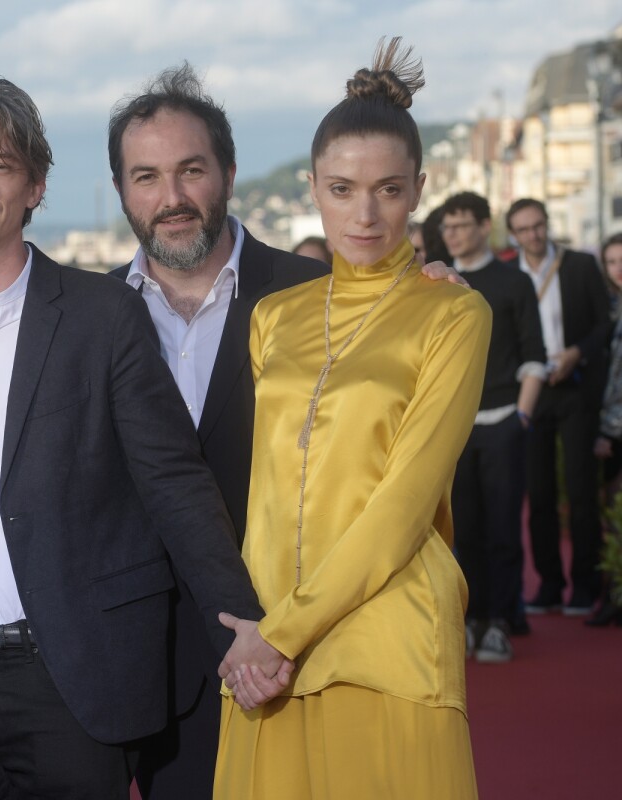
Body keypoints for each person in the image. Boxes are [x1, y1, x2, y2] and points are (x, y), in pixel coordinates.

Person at [0, 76, 275, 800]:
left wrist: (240, 621)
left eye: (0, 165)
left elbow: (173, 480)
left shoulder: (103, 317)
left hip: (68, 671)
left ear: (34, 185)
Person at [213, 39, 489, 799]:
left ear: (420, 189)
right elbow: (265, 487)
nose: (365, 214)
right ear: (312, 188)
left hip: (386, 640)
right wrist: (262, 638)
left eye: (389, 190)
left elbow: (403, 506)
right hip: (267, 658)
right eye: (341, 189)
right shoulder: (274, 316)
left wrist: (279, 635)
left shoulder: (454, 313)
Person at [104, 64, 325, 798]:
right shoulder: (82, 318)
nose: (170, 198)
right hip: (150, 671)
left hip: (298, 650)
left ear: (228, 172)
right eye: (146, 176)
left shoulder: (314, 296)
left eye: (190, 170)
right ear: (122, 191)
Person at [441, 191, 546, 662]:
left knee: (504, 527)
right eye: (448, 226)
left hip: (504, 419)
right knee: (461, 531)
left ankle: (500, 621)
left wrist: (521, 418)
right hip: (455, 429)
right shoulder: (438, 282)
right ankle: (470, 616)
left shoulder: (513, 282)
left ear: (485, 227)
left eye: (463, 225)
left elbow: (533, 356)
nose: (454, 234)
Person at [505, 197, 611, 615]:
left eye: (539, 225)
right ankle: (549, 584)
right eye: (525, 229)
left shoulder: (579, 266)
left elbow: (605, 322)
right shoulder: (510, 276)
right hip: (532, 390)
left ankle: (585, 586)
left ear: (547, 224)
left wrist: (575, 354)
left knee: (583, 491)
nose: (534, 234)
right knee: (540, 492)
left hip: (576, 387)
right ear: (513, 235)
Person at [590, 231, 622, 627]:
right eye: (612, 262)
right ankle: (614, 593)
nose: (619, 269)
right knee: (613, 514)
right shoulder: (608, 310)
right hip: (612, 429)